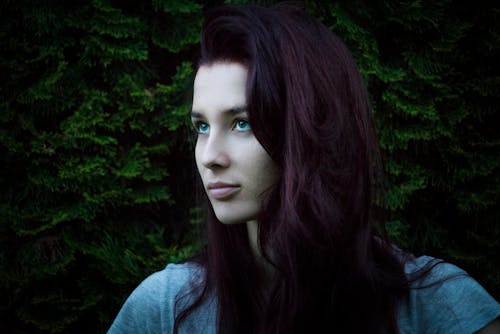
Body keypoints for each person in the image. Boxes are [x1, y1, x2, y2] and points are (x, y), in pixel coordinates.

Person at [109, 3, 499, 334]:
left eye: (241, 123)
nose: (210, 155)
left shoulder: (438, 308)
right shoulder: (164, 312)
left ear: (311, 129)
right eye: (202, 127)